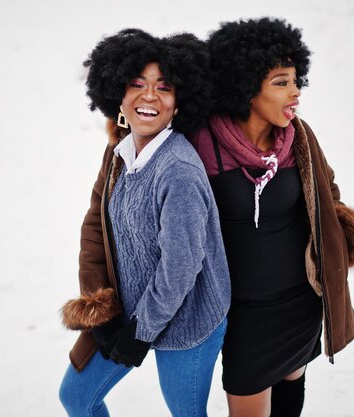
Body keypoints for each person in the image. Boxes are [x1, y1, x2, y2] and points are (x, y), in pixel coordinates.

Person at [188, 18, 354, 417]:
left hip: (298, 303)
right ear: (244, 85)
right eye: (280, 82)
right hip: (242, 314)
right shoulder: (201, 143)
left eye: (295, 80)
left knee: (291, 396)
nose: (295, 92)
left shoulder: (298, 137)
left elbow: (327, 194)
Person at [58, 28, 231, 417]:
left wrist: (140, 331)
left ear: (178, 102)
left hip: (188, 321)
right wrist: (101, 304)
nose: (149, 96)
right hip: (128, 312)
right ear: (117, 93)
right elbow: (94, 226)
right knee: (77, 397)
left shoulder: (179, 171)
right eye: (137, 83)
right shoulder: (119, 154)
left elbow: (180, 268)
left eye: (163, 87)